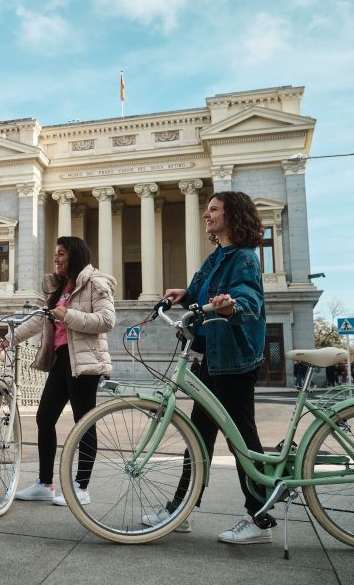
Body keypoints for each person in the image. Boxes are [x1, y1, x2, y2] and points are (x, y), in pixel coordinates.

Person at [142, 191, 274, 545]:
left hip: (232, 360)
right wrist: (183, 295)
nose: (206, 214)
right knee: (198, 440)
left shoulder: (243, 258)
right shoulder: (218, 256)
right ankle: (181, 510)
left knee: (242, 441)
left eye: (213, 209)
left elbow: (249, 298)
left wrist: (232, 305)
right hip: (212, 360)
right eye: (207, 209)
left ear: (232, 215)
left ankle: (259, 519)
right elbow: (201, 290)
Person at [7, 236, 117, 507]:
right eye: (55, 254)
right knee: (45, 418)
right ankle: (45, 484)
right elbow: (38, 321)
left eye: (61, 254)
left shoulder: (95, 283)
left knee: (83, 423)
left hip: (85, 363)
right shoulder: (59, 289)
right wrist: (8, 339)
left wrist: (67, 315)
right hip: (61, 360)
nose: (55, 259)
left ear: (74, 256)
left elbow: (107, 321)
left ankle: (81, 487)